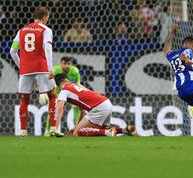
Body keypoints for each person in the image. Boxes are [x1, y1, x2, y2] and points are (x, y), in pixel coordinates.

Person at [9, 7, 63, 137]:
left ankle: (23, 131)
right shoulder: (46, 30)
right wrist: (50, 68)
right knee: (53, 96)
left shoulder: (21, 30)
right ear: (45, 17)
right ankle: (53, 128)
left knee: (24, 99)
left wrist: (21, 66)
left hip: (26, 70)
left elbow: (12, 51)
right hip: (42, 68)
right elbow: (48, 47)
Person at [54, 74, 137, 137]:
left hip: (99, 107)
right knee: (101, 129)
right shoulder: (76, 85)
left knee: (77, 133)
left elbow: (60, 109)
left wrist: (55, 129)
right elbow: (82, 111)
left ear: (57, 87)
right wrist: (76, 127)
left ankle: (109, 132)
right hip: (106, 102)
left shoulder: (64, 91)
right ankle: (126, 130)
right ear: (67, 81)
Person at [43, 57, 81, 136]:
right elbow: (47, 81)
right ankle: (48, 131)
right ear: (60, 64)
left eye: (69, 64)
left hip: (70, 92)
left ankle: (78, 129)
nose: (66, 66)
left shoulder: (75, 71)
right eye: (64, 64)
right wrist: (45, 93)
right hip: (56, 93)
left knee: (77, 107)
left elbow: (78, 84)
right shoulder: (55, 70)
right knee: (53, 110)